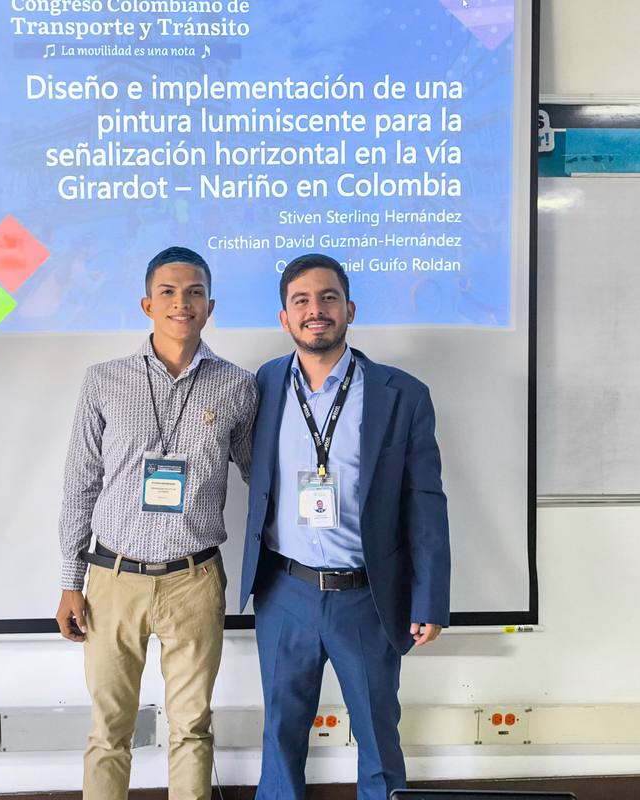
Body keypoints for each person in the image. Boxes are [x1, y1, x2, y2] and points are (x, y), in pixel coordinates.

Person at [239, 253, 452, 799]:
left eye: (329, 298)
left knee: (379, 736)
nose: (317, 311)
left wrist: (430, 599)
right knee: (281, 734)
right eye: (302, 301)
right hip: (285, 591)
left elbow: (424, 502)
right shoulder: (263, 385)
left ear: (350, 309)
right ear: (284, 317)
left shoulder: (402, 393)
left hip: (366, 595)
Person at [57, 246, 257, 800]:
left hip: (194, 580)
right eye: (168, 292)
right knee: (109, 731)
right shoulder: (104, 381)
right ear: (147, 303)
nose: (181, 302)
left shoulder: (237, 386)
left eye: (194, 292)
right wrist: (71, 582)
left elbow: (260, 477)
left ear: (210, 306)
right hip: (112, 579)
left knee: (192, 727)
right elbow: (80, 485)